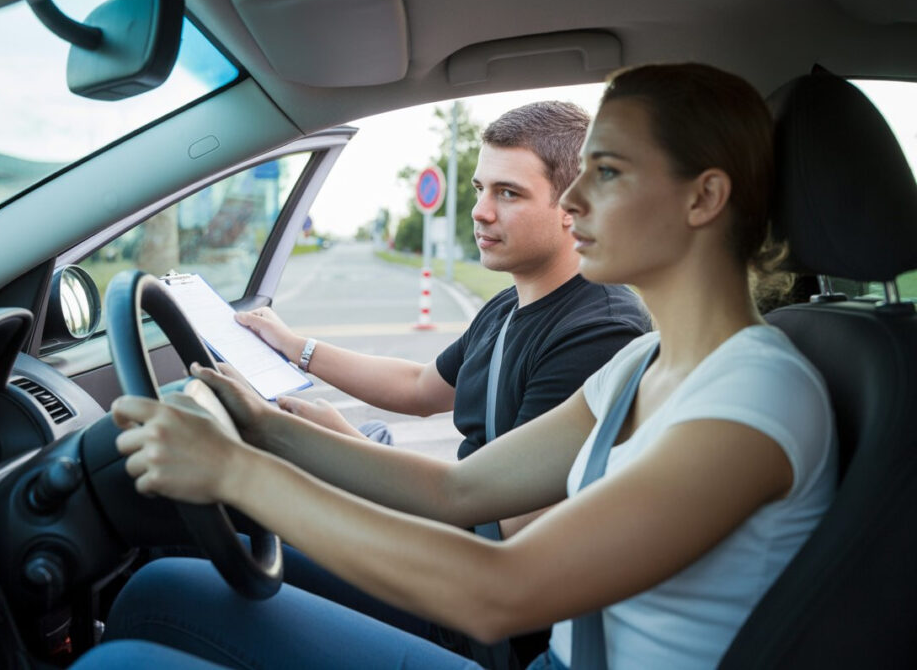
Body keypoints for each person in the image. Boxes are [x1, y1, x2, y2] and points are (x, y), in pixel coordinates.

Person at [79, 63, 837, 670]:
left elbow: (501, 590)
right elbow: (459, 486)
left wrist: (236, 473)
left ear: (704, 197)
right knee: (161, 586)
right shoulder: (646, 362)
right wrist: (264, 428)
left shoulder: (755, 397)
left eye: (605, 171)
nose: (570, 199)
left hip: (515, 637)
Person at [237, 100, 649, 478]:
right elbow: (418, 388)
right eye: (479, 188)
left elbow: (509, 530)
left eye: (507, 193)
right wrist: (294, 348)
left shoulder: (599, 334)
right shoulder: (508, 305)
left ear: (574, 207)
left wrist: (344, 445)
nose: (479, 211)